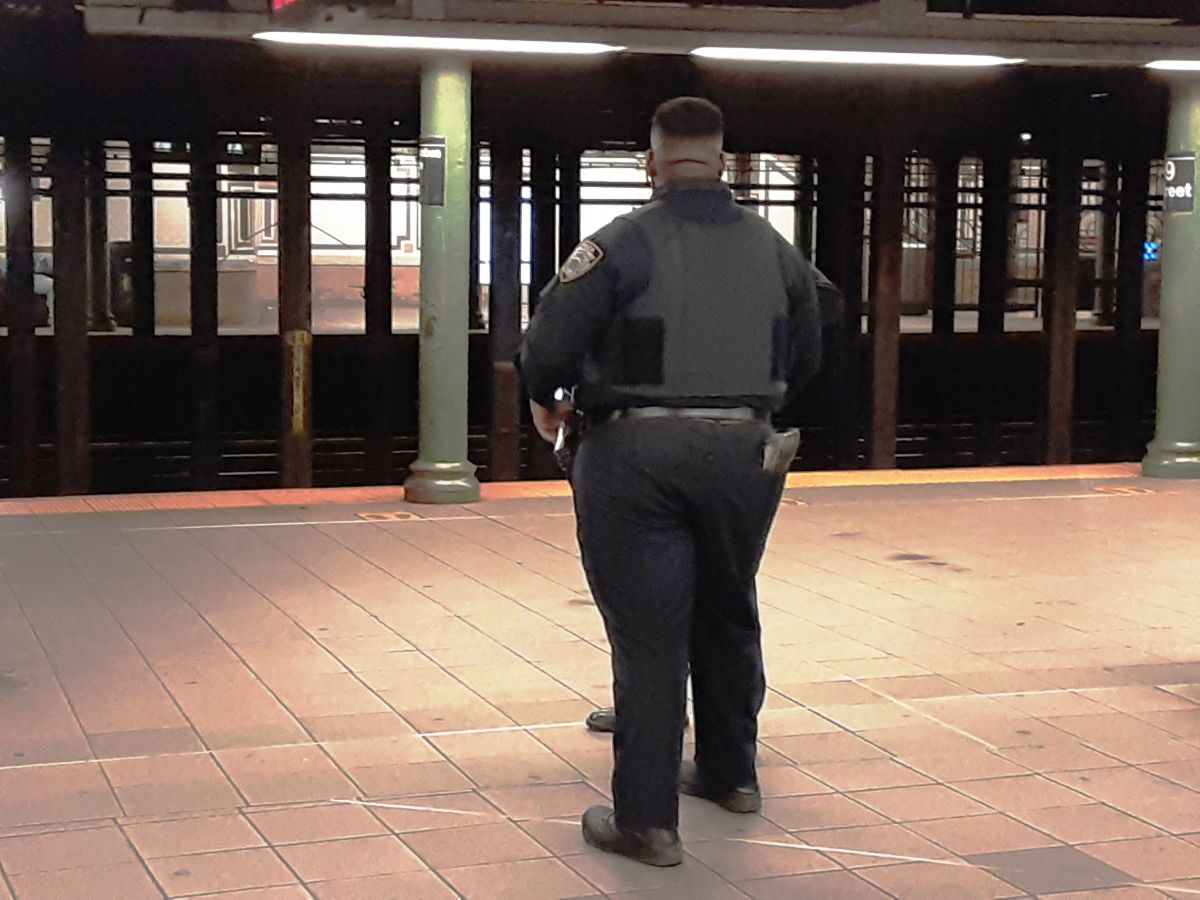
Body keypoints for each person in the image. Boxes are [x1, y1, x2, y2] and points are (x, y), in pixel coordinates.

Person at [517, 97, 823, 867]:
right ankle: (731, 775)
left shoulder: (621, 244)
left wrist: (550, 403)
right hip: (749, 451)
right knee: (727, 605)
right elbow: (818, 347)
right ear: (723, 160)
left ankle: (646, 822)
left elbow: (547, 346)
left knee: (650, 637)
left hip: (636, 456)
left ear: (651, 162)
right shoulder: (776, 248)